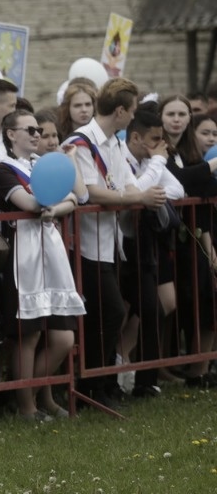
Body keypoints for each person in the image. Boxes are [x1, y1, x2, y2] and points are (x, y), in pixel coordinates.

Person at [62, 78, 166, 408]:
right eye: (132, 110)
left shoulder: (115, 144)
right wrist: (135, 198)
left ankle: (102, 382)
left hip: (110, 242)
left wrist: (143, 196)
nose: (133, 116)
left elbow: (128, 184)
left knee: (107, 314)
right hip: (86, 243)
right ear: (120, 111)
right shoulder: (80, 143)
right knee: (110, 312)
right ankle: (89, 382)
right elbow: (90, 191)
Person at [0, 111, 86, 421]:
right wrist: (52, 205)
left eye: (39, 130)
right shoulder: (4, 168)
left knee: (62, 337)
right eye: (30, 129)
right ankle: (26, 406)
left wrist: (56, 207)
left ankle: (36, 394)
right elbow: (30, 204)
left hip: (52, 252)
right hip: (25, 254)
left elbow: (75, 197)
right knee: (29, 335)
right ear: (10, 134)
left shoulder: (39, 164)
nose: (37, 134)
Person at [120, 108, 183, 397]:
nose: (162, 146)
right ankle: (115, 373)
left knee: (152, 310)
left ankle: (145, 381)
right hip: (117, 249)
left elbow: (177, 190)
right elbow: (132, 194)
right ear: (136, 137)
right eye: (155, 139)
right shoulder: (121, 157)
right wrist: (156, 164)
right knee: (119, 312)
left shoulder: (149, 162)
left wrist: (152, 179)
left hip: (142, 248)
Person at [164, 112, 217, 387]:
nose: (177, 120)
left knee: (208, 302)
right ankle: (183, 366)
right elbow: (182, 180)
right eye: (171, 114)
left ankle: (203, 367)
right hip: (177, 240)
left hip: (200, 236)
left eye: (182, 114)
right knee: (186, 305)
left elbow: (205, 189)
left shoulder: (193, 157)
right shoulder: (164, 153)